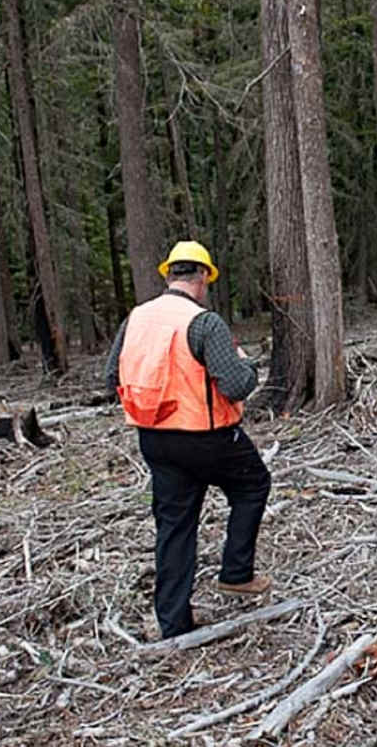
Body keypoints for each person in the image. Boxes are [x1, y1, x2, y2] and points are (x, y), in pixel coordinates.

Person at [105, 240, 271, 639]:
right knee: (253, 484)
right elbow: (234, 385)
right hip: (206, 436)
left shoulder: (136, 319)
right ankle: (235, 572)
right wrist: (248, 364)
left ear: (168, 275)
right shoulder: (204, 323)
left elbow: (111, 376)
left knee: (174, 527)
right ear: (201, 278)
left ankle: (174, 624)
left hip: (154, 439)